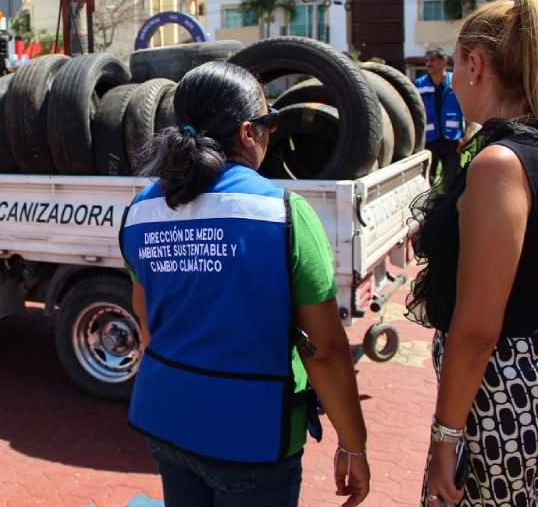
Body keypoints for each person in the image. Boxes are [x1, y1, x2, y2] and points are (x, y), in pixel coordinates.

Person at [120, 61, 370, 507]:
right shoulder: (284, 214)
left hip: (167, 420)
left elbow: (146, 320)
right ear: (249, 132)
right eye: (270, 124)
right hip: (252, 437)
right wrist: (353, 443)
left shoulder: (141, 209)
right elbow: (327, 350)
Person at [407, 0, 538, 506]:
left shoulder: (499, 164)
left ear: (476, 64)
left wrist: (445, 438)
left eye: (459, 66)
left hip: (498, 390)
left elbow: (478, 328)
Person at [415, 47, 466, 191]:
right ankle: (430, 208)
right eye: (426, 61)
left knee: (451, 181)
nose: (428, 64)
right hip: (429, 140)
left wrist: (466, 135)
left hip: (453, 139)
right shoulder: (419, 85)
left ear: (444, 61)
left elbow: (466, 108)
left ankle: (449, 209)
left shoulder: (455, 82)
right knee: (426, 179)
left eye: (432, 60)